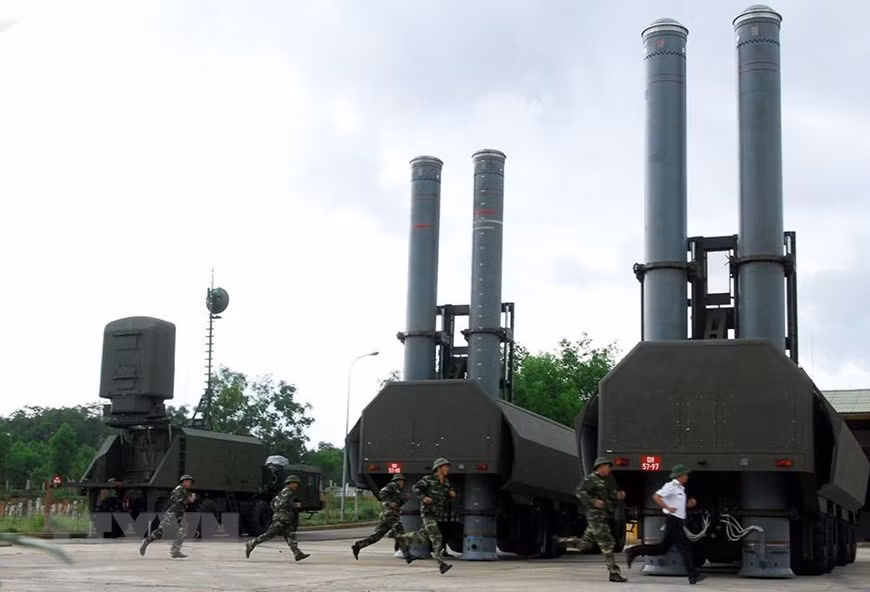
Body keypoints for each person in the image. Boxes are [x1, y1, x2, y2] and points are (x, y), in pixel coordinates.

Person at [624, 464, 704, 585]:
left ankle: (634, 551)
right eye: (685, 474)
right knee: (685, 547)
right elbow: (656, 496)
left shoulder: (680, 489)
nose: (687, 477)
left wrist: (688, 505)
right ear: (680, 476)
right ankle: (693, 575)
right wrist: (667, 507)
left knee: (662, 548)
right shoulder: (671, 486)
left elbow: (677, 505)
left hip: (677, 521)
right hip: (674, 521)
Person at [554, 456, 628, 583]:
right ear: (600, 467)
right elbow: (579, 492)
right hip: (595, 515)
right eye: (607, 466)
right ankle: (613, 572)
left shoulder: (608, 480)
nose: (609, 469)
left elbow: (611, 496)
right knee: (607, 543)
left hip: (604, 515)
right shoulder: (590, 479)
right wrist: (593, 501)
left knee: (586, 544)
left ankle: (561, 541)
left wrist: (617, 496)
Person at [395, 457, 456, 574]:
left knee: (422, 536)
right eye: (445, 466)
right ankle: (441, 564)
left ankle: (402, 537)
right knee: (437, 537)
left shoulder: (446, 482)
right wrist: (424, 498)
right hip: (428, 513)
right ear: (438, 468)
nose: (447, 469)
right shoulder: (428, 479)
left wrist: (452, 494)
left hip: (437, 513)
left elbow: (448, 495)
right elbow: (415, 487)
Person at [245, 475, 310, 561]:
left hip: (286, 519)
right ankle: (251, 543)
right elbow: (280, 504)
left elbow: (273, 503)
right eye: (296, 484)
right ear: (291, 483)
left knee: (291, 536)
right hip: (281, 519)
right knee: (269, 534)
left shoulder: (285, 492)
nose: (297, 486)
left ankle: (297, 553)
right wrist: (293, 505)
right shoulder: (287, 492)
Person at [352, 473, 412, 560]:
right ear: (399, 481)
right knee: (400, 533)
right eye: (402, 482)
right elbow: (382, 492)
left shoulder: (397, 490)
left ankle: (358, 545)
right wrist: (389, 503)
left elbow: (397, 503)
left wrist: (404, 499)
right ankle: (407, 554)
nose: (403, 484)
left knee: (378, 536)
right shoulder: (393, 485)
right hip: (391, 515)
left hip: (389, 516)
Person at [140, 474, 196, 558]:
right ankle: (146, 542)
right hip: (173, 514)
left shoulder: (185, 490)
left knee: (183, 530)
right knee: (160, 531)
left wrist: (188, 499)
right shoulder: (179, 489)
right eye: (189, 482)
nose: (190, 484)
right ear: (184, 481)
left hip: (179, 514)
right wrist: (188, 500)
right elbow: (176, 500)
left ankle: (175, 551)